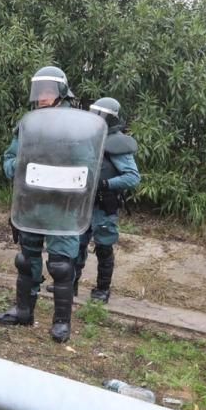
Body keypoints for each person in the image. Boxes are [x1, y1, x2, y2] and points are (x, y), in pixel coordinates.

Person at [0, 66, 96, 342]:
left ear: (61, 92)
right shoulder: (28, 124)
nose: (42, 96)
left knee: (62, 265)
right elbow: (8, 163)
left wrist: (61, 165)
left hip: (62, 206)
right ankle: (24, 311)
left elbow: (88, 165)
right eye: (39, 91)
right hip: (32, 204)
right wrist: (22, 164)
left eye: (48, 90)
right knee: (26, 260)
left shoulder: (77, 124)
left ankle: (62, 322)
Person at [72, 97, 140, 303]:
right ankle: (69, 283)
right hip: (83, 202)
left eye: (100, 115)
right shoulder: (89, 138)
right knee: (77, 244)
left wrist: (106, 184)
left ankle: (102, 289)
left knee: (103, 245)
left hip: (103, 204)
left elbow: (132, 177)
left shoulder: (117, 143)